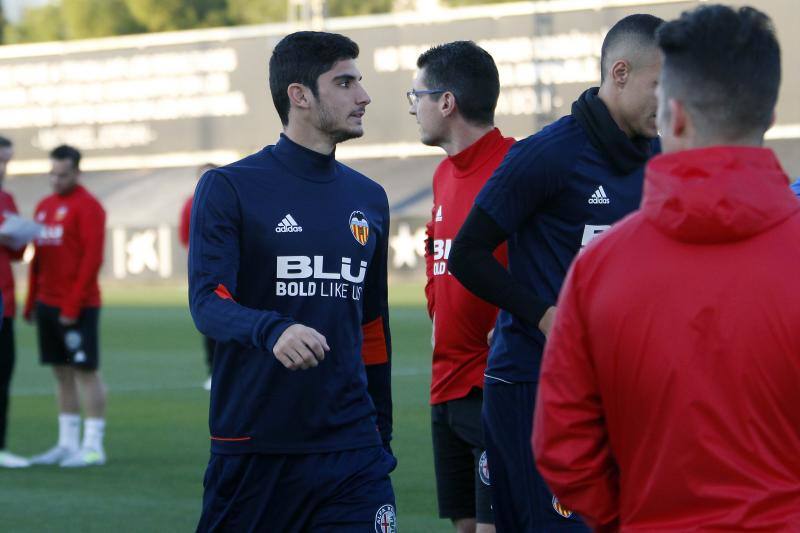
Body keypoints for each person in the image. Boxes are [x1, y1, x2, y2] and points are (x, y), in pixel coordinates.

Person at [533, 5, 800, 530]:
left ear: (672, 114)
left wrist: (631, 518)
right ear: (768, 117)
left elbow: (563, 448)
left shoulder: (598, 271)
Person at [448, 14, 663, 532]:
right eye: (662, 84)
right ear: (620, 73)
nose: (673, 99)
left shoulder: (664, 154)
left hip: (624, 384)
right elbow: (468, 253)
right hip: (535, 384)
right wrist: (543, 314)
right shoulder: (547, 154)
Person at [189, 31, 395, 532]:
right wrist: (272, 329)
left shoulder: (369, 198)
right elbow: (208, 301)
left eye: (359, 82)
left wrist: (380, 434)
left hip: (352, 452)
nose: (363, 96)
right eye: (344, 83)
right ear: (299, 95)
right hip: (257, 446)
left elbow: (372, 326)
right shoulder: (230, 187)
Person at [410, 41, 512, 533]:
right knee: (467, 526)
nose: (413, 109)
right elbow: (438, 257)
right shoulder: (441, 174)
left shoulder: (519, 166)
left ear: (446, 102)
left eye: (417, 96)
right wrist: (437, 312)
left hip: (496, 383)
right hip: (445, 384)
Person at [25, 145, 107, 468]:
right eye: (52, 174)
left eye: (63, 175)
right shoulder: (44, 207)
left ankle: (92, 445)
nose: (56, 180)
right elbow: (38, 260)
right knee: (61, 372)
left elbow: (92, 259)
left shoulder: (89, 207)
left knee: (86, 372)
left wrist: (72, 305)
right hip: (47, 303)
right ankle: (67, 442)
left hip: (79, 305)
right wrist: (32, 300)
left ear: (77, 172)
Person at [0, 136, 28, 468]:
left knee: (4, 374)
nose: (4, 168)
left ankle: (1, 446)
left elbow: (17, 254)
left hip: (4, 300)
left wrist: (18, 239)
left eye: (7, 160)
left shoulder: (7, 198)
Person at [178, 162, 218, 391]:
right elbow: (185, 236)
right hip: (204, 272)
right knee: (208, 319)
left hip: (233, 270)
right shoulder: (190, 204)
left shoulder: (231, 200)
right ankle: (212, 370)